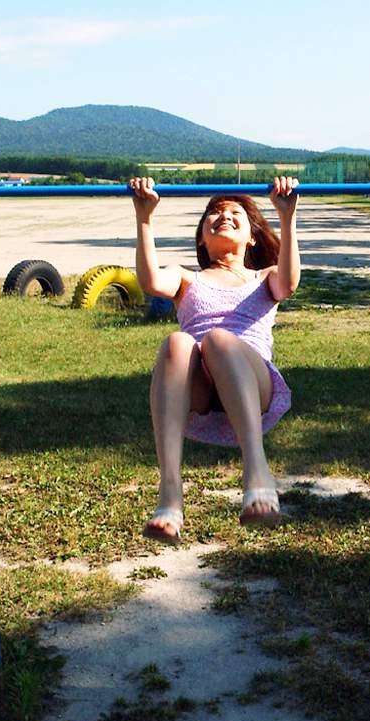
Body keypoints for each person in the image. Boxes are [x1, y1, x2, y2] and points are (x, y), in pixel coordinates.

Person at [129, 176, 300, 544]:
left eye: (235, 212)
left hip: (253, 381)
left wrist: (287, 218)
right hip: (200, 388)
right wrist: (144, 217)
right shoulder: (186, 279)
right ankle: (170, 493)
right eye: (214, 213)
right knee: (177, 341)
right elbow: (151, 282)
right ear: (202, 240)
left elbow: (287, 283)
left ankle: (257, 470)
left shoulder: (264, 277)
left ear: (251, 238)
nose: (223, 215)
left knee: (219, 339)